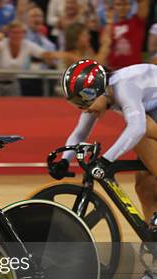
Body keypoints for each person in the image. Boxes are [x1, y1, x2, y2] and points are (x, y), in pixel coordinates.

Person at [52, 60, 157, 226]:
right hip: (153, 110)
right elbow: (80, 133)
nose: (83, 109)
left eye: (82, 101)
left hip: (150, 116)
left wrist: (105, 160)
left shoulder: (124, 87)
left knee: (142, 133)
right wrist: (64, 160)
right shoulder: (100, 94)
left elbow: (137, 129)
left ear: (97, 91)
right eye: (76, 104)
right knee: (144, 185)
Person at [106, 0, 148, 70]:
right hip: (115, 71)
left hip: (135, 71)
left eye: (125, 4)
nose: (122, 8)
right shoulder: (108, 28)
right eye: (119, 5)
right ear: (113, 8)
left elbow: (143, 2)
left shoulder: (136, 22)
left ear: (129, 6)